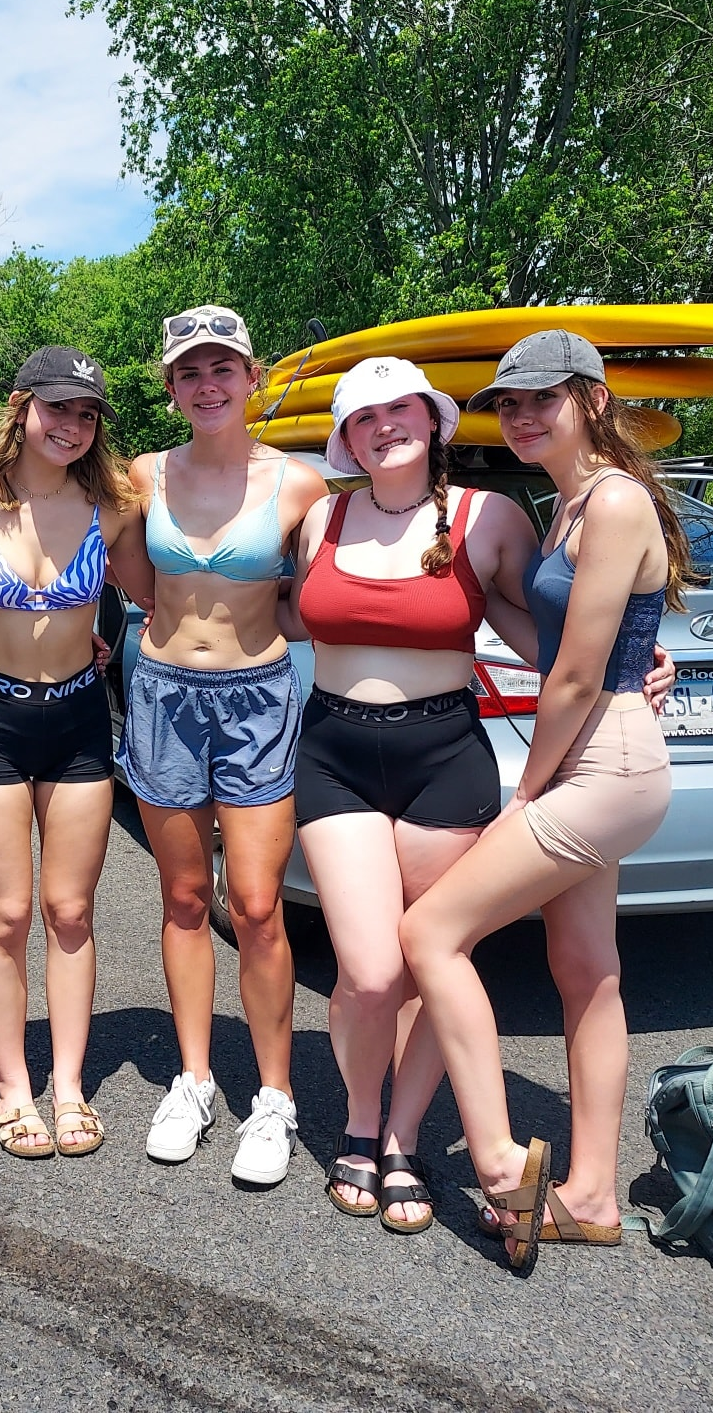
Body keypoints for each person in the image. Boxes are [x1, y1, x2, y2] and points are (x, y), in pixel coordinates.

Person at [399, 330, 695, 1273]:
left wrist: (525, 796)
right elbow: (560, 639)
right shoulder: (567, 505)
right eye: (511, 403)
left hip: (601, 763)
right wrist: (477, 596)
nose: (523, 416)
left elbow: (569, 681)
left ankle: (498, 1167)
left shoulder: (613, 502)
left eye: (544, 400)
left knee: (431, 933)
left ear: (594, 401)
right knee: (586, 970)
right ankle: (592, 1196)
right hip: (599, 750)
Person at [285, 356, 537, 1230]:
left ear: (433, 422)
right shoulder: (323, 515)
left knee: (434, 960)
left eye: (402, 410)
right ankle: (355, 1118)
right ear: (347, 439)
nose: (384, 426)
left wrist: (635, 659)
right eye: (364, 417)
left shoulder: (488, 517)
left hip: (444, 757)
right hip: (333, 753)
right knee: (371, 968)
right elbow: (273, 611)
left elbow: (542, 626)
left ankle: (399, 1137)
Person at [121, 306, 328, 1185]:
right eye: (190, 372)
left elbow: (319, 599)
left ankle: (273, 1096)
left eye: (223, 368)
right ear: (172, 390)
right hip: (164, 693)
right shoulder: (142, 474)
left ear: (253, 379)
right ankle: (196, 1079)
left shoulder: (302, 484)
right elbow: (135, 581)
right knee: (180, 898)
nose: (208, 384)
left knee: (255, 904)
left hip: (257, 698)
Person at [0, 348, 153, 1159]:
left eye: (87, 413)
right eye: (57, 409)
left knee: (69, 912)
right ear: (22, 406)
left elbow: (158, 594)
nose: (71, 426)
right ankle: (13, 1088)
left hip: (76, 722)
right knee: (7, 913)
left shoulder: (113, 506)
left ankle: (67, 1087)